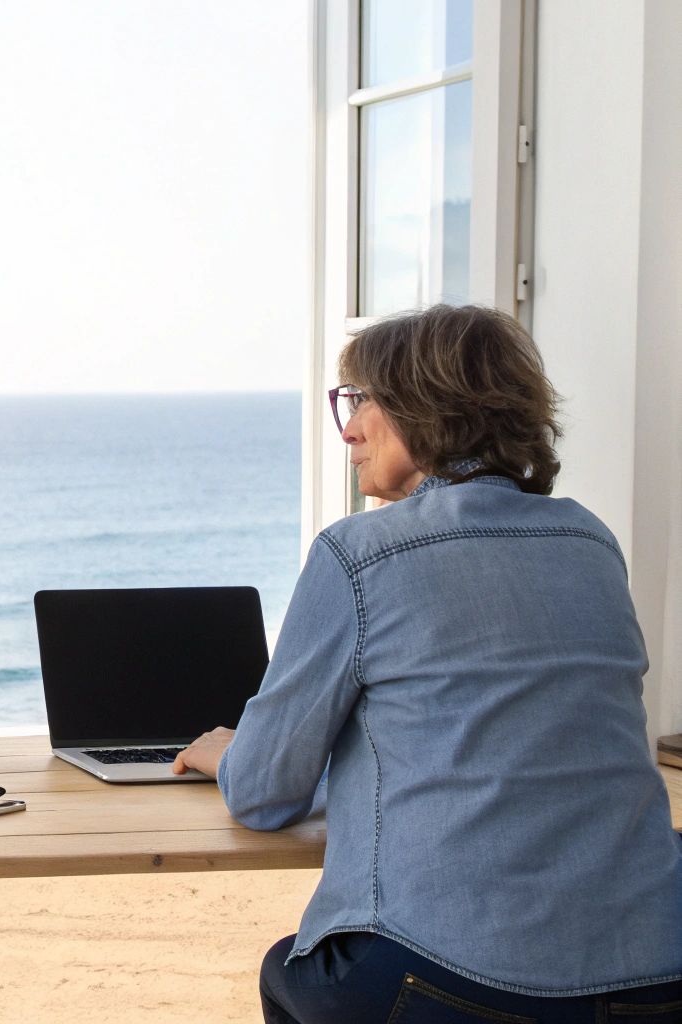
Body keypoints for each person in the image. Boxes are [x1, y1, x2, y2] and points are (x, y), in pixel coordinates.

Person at [171, 304, 682, 1022]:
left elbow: (263, 794)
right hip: (655, 971)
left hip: (451, 982)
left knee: (290, 973)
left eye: (362, 401)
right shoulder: (589, 539)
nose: (348, 428)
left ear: (427, 406)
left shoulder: (359, 554)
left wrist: (229, 752)